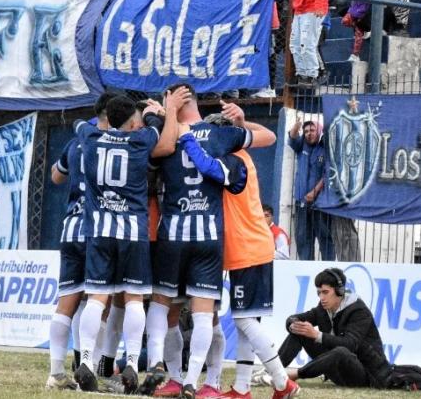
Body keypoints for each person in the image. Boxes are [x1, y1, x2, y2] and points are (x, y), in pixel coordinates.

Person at [142, 85, 276, 399]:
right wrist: (241, 122)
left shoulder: (166, 136)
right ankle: (195, 381)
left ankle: (166, 372)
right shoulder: (220, 134)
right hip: (209, 237)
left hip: (173, 234)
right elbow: (269, 137)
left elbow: (156, 152)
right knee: (206, 315)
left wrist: (162, 114)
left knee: (164, 306)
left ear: (171, 100)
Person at [72, 92, 188, 393]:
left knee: (96, 298)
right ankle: (133, 364)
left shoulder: (90, 137)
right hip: (133, 232)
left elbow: (78, 125)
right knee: (134, 298)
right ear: (133, 122)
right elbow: (157, 130)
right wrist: (156, 112)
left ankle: (86, 360)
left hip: (99, 230)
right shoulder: (141, 141)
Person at [183, 113, 301, 399]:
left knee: (245, 322)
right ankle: (242, 387)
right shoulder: (241, 156)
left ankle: (283, 382)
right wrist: (243, 123)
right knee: (247, 321)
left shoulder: (233, 160)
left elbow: (208, 166)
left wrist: (186, 138)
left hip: (248, 250)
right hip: (251, 249)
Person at [46, 93, 118, 390]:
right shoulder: (118, 142)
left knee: (68, 301)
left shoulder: (77, 140)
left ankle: (56, 372)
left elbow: (55, 176)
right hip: (98, 229)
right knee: (100, 301)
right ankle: (90, 365)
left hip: (70, 227)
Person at [278, 268, 391, 388]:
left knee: (341, 352)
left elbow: (350, 344)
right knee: (300, 332)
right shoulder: (323, 307)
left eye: (325, 292)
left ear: (339, 291)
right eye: (319, 293)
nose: (321, 297)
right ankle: (274, 372)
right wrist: (294, 324)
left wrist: (317, 335)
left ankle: (295, 374)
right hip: (338, 370)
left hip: (365, 374)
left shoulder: (359, 311)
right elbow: (294, 318)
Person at [287, 117, 333, 260]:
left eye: (312, 130)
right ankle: (307, 268)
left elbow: (328, 173)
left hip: (320, 204)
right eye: (306, 131)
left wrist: (315, 191)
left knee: (325, 238)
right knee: (303, 239)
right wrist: (297, 126)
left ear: (318, 131)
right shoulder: (302, 146)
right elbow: (292, 138)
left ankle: (328, 268)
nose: (309, 133)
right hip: (301, 203)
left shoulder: (325, 149)